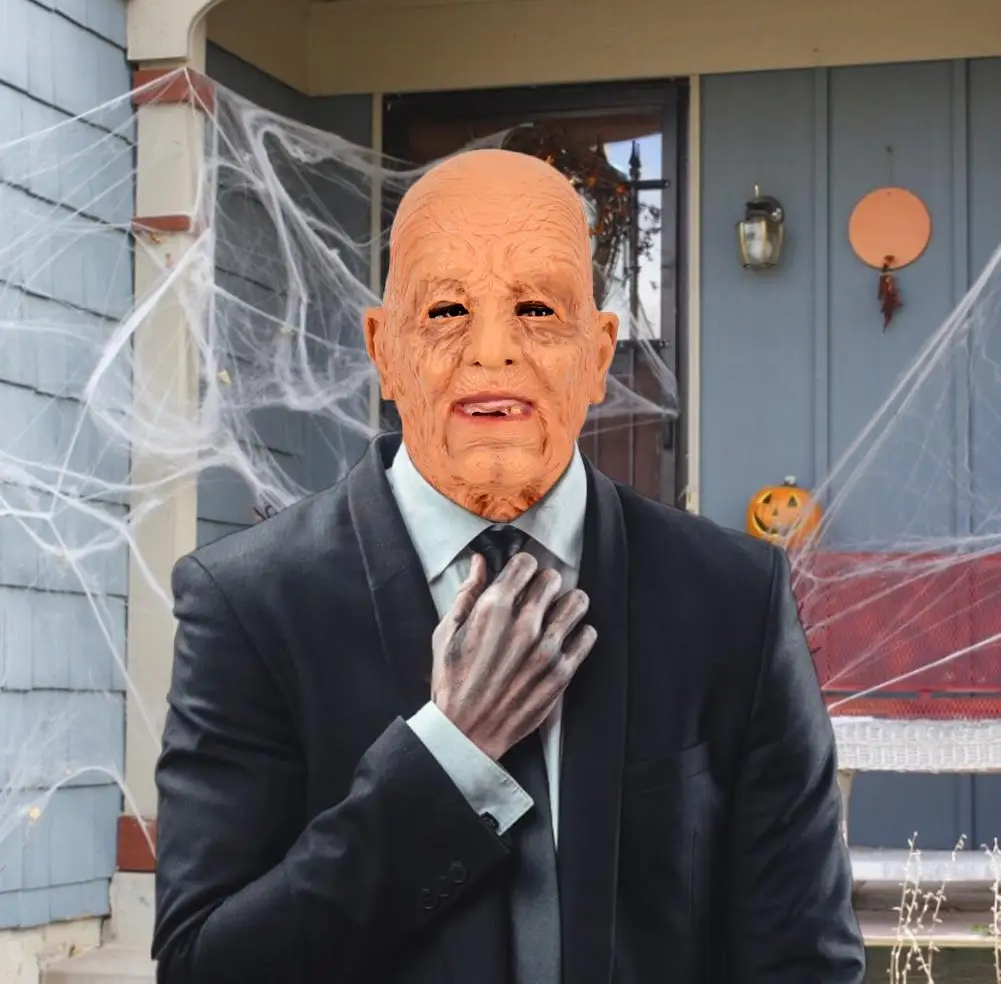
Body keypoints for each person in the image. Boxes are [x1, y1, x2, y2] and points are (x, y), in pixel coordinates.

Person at [152, 148, 865, 984]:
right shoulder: (248, 603)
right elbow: (205, 968)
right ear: (385, 350)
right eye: (447, 309)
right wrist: (448, 758)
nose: (492, 351)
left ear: (597, 353)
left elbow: (801, 960)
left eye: (535, 308)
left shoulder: (733, 600)